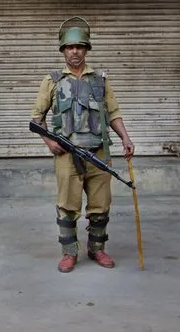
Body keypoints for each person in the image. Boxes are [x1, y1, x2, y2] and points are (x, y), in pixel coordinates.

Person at [30, 16, 135, 273]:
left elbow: (113, 113)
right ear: (63, 50)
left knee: (100, 205)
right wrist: (49, 142)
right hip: (67, 154)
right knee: (67, 204)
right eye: (69, 47)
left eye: (79, 47)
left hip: (99, 152)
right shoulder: (53, 81)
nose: (74, 51)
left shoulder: (100, 80)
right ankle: (69, 253)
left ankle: (97, 249)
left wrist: (125, 137)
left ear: (86, 49)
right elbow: (36, 118)